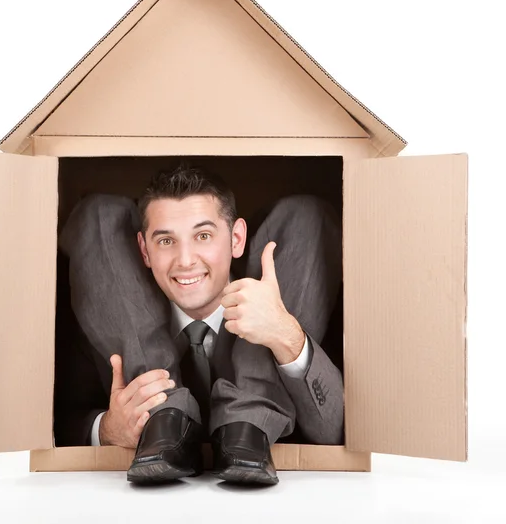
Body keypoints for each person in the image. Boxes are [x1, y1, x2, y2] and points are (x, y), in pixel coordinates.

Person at [56, 162, 343, 485]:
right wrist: (107, 429)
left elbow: (336, 429)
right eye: (166, 241)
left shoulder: (302, 301)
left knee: (305, 214)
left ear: (236, 239)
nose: (186, 260)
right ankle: (162, 415)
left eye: (203, 236)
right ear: (144, 251)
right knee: (98, 214)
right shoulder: (105, 311)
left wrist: (286, 336)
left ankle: (250, 418)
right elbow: (61, 419)